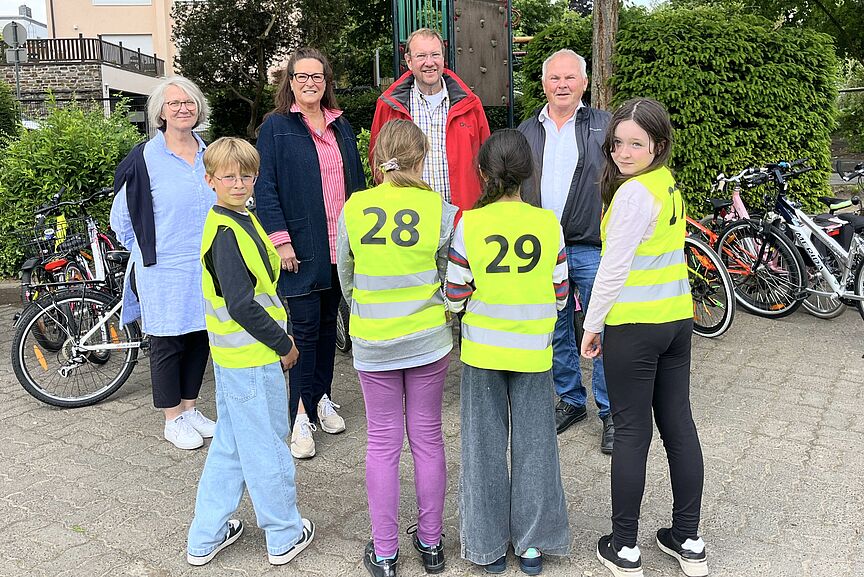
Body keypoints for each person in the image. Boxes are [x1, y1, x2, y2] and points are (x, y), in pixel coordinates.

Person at [580, 99, 707, 577]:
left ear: (658, 144)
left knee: (632, 433)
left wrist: (592, 327)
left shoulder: (633, 195)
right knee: (678, 424)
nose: (623, 153)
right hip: (676, 322)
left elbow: (612, 273)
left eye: (636, 144)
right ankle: (688, 538)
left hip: (634, 328)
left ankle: (625, 545)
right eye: (618, 143)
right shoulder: (666, 184)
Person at [447, 129, 570, 576]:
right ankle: (533, 544)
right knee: (536, 445)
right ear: (528, 174)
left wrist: (464, 309)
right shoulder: (547, 222)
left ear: (482, 173)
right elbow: (560, 293)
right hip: (534, 350)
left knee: (482, 447)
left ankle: (487, 547)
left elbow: (456, 292)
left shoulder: (469, 224)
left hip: (482, 351)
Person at [186, 137, 314, 567]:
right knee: (267, 448)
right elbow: (241, 304)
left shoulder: (238, 217)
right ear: (210, 180)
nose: (238, 183)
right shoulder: (227, 230)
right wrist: (284, 344)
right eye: (228, 177)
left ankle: (205, 536)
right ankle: (284, 534)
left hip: (234, 359)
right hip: (253, 358)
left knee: (232, 445)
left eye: (246, 175)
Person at [337, 119, 456, 577]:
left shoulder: (356, 206)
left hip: (374, 340)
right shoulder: (441, 210)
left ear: (378, 158)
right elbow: (451, 275)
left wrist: (363, 310)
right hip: (428, 340)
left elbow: (345, 272)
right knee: (427, 437)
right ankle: (431, 545)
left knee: (382, 443)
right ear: (422, 158)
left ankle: (384, 552)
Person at [255, 47, 366, 459]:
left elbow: (356, 183)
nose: (309, 83)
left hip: (342, 247)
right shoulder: (276, 128)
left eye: (317, 77)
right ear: (290, 82)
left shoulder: (341, 126)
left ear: (326, 81)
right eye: (301, 77)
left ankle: (321, 399)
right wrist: (280, 239)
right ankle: (298, 417)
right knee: (302, 333)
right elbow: (264, 188)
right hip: (300, 247)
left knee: (326, 330)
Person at [111, 76, 217, 450]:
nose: (183, 108)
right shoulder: (144, 159)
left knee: (199, 335)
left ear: (199, 108)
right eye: (174, 104)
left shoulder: (212, 154)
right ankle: (172, 418)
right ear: (160, 112)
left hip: (206, 264)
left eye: (189, 102)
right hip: (164, 268)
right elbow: (121, 219)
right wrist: (146, 254)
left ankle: (190, 409)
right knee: (169, 340)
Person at [517, 49, 614, 453]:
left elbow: (623, 177)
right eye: (554, 78)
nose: (562, 85)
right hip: (542, 249)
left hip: (589, 245)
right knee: (555, 327)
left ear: (585, 83)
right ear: (543, 84)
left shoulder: (605, 126)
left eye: (570, 78)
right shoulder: (526, 130)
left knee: (603, 329)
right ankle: (571, 400)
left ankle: (611, 412)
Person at [369, 27, 490, 213]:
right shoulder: (389, 106)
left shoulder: (470, 105)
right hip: (409, 221)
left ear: (443, 58)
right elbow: (377, 163)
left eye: (435, 54)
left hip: (462, 217)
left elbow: (487, 162)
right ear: (409, 61)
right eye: (421, 56)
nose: (429, 62)